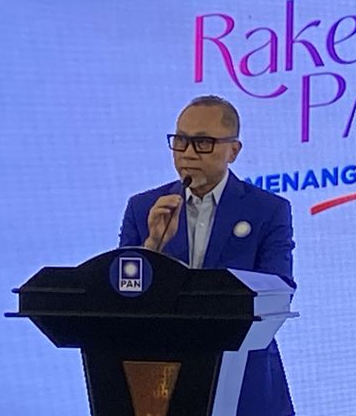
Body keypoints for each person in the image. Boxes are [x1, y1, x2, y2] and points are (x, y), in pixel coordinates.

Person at [119, 95, 295, 416]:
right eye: (180, 141)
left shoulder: (268, 210)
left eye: (203, 143)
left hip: (245, 374)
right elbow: (121, 295)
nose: (187, 153)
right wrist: (152, 246)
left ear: (233, 151)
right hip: (162, 376)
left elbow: (279, 291)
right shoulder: (143, 208)